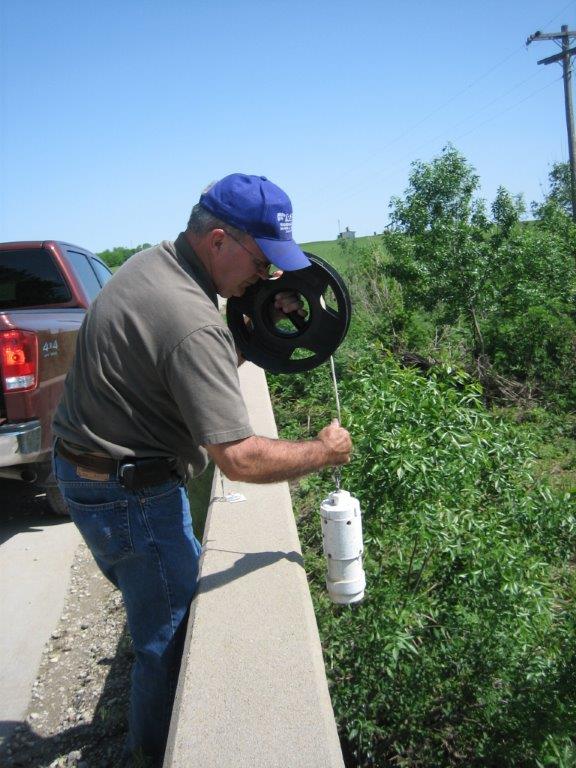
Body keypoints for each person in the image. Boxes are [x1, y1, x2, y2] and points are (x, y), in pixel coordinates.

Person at [52, 173, 352, 766]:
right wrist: (323, 450)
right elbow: (237, 458)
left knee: (162, 624)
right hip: (127, 495)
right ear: (219, 241)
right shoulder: (191, 318)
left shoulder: (155, 265)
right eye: (264, 263)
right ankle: (154, 754)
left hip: (92, 473)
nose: (267, 278)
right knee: (170, 642)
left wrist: (261, 317)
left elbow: (190, 367)